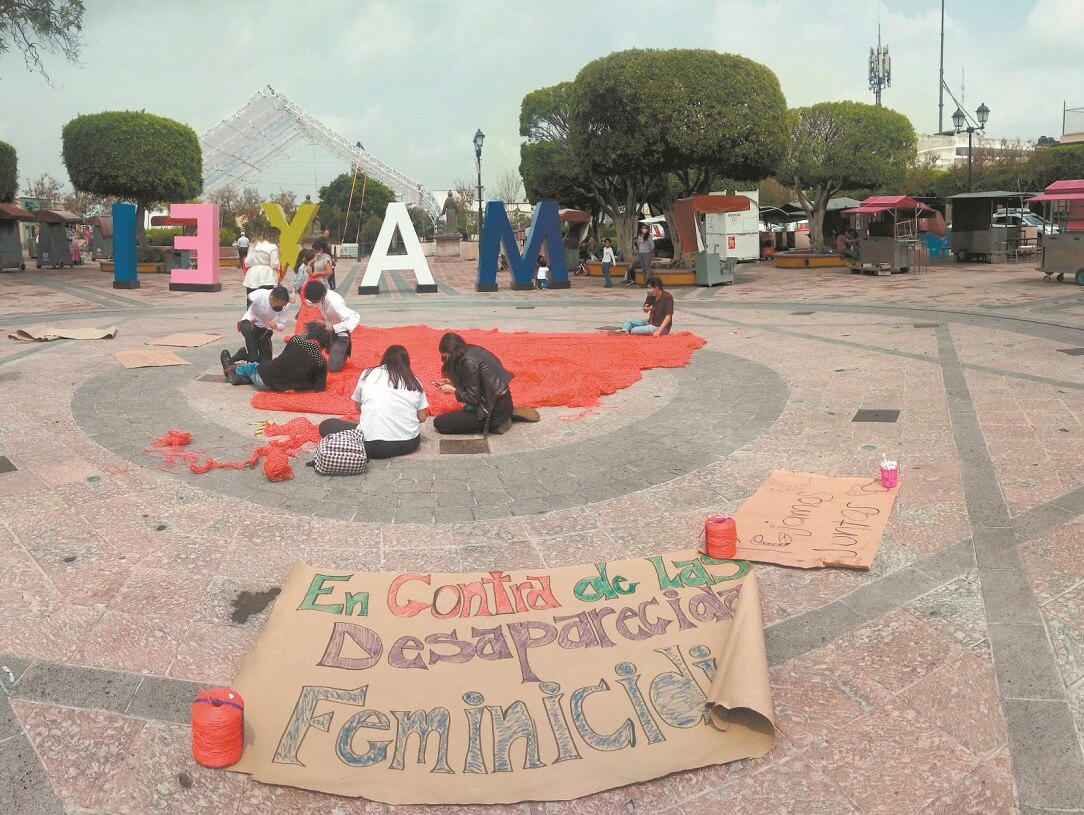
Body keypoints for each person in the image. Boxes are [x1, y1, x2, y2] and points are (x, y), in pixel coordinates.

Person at [317, 345, 430, 459]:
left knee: (326, 425)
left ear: (384, 359)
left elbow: (358, 406)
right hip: (408, 444)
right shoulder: (413, 380)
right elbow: (422, 417)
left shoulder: (368, 373)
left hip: (370, 445)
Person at [434, 332, 515, 435]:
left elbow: (473, 399)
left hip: (491, 412)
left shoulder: (468, 363)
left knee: (440, 423)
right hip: (503, 402)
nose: (443, 360)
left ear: (451, 352)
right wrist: (453, 383)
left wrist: (453, 390)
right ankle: (506, 415)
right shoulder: (472, 350)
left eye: (445, 357)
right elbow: (478, 383)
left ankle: (497, 423)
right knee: (464, 410)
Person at [220, 320, 331, 392]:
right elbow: (319, 387)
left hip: (266, 377)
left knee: (254, 366)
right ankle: (238, 379)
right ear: (324, 345)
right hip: (281, 387)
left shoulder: (297, 341)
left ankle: (232, 369)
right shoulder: (321, 362)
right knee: (258, 371)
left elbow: (285, 361)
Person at [222, 285, 290, 367]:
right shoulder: (259, 295)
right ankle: (250, 360)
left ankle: (242, 355)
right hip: (250, 324)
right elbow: (249, 300)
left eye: (283, 305)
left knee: (266, 363)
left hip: (264, 329)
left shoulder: (285, 306)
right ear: (272, 299)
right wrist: (251, 315)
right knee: (253, 357)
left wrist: (276, 326)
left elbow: (282, 325)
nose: (281, 307)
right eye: (279, 305)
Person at [303, 279, 359, 373]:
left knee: (333, 367)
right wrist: (309, 302)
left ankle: (343, 351)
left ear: (320, 297)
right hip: (327, 325)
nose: (313, 302)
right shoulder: (320, 295)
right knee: (302, 338)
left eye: (314, 301)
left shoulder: (334, 302)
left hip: (340, 331)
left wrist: (332, 327)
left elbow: (354, 317)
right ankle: (325, 347)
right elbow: (313, 301)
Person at [242, 227, 281, 299]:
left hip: (252, 277)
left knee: (252, 305)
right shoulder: (273, 247)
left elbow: (247, 262)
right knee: (265, 303)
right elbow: (274, 264)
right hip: (267, 277)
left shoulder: (253, 245)